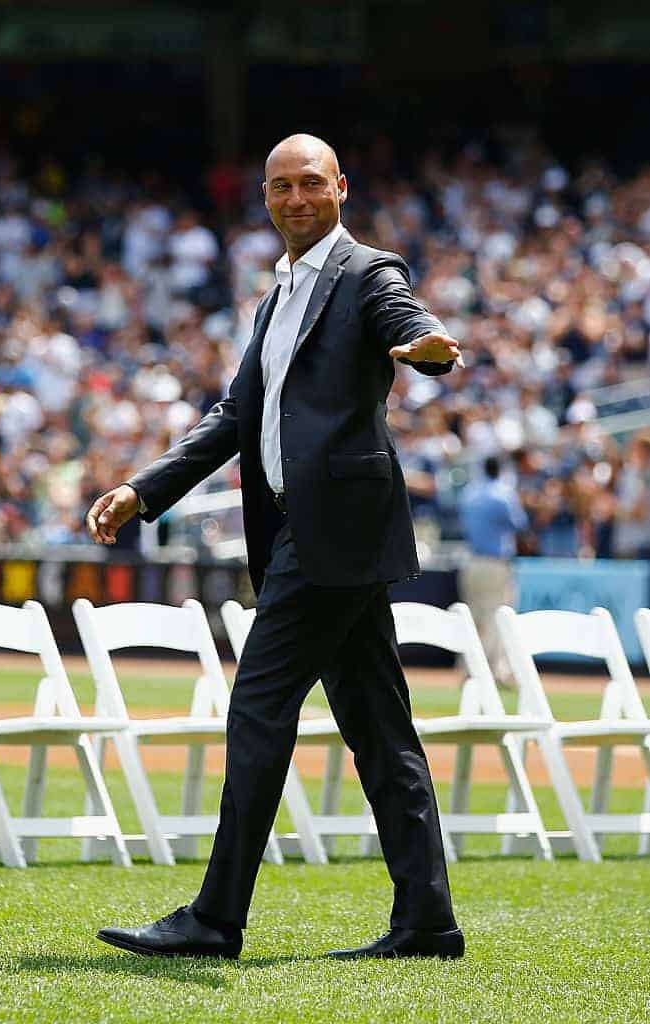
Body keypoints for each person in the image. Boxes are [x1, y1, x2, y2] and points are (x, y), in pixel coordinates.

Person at [86, 134, 465, 962]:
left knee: (258, 707)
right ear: (264, 198)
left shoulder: (366, 272)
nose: (295, 199)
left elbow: (408, 318)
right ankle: (428, 922)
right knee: (379, 729)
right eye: (279, 187)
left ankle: (216, 918)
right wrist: (144, 488)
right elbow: (233, 416)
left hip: (332, 536)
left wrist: (428, 347)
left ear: (340, 187)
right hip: (318, 536)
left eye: (310, 184)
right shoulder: (277, 295)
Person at [459, 455, 528, 685]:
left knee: (474, 618)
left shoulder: (469, 494)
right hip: (495, 563)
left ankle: (469, 668)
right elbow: (520, 524)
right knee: (497, 616)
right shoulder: (503, 494)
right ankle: (491, 671)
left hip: (471, 561)